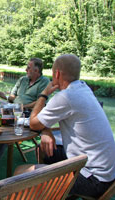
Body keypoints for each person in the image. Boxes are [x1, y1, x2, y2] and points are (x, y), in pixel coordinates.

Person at [18, 54, 115, 198]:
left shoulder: (65, 97)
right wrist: (46, 130)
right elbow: (41, 123)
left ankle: (46, 187)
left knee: (20, 172)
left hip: (93, 179)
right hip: (106, 172)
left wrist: (44, 94)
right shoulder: (84, 88)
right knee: (43, 150)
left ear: (57, 73)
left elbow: (33, 123)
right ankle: (50, 192)